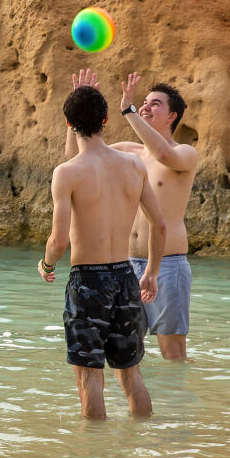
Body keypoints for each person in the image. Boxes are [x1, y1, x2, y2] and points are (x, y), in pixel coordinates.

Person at [41, 82, 165, 420]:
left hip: (87, 282)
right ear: (106, 119)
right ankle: (143, 440)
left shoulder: (66, 173)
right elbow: (159, 225)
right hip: (126, 276)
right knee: (131, 374)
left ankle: (94, 450)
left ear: (69, 124)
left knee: (89, 377)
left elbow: (59, 241)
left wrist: (46, 265)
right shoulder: (134, 165)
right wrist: (151, 272)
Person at [69, 68, 199, 361]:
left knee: (173, 355)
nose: (146, 107)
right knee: (126, 352)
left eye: (155, 104)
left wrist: (128, 111)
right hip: (126, 265)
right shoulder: (129, 153)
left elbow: (163, 155)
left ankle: (179, 394)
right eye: (144, 102)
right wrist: (79, 110)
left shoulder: (185, 154)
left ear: (172, 116)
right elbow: (77, 158)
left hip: (167, 265)